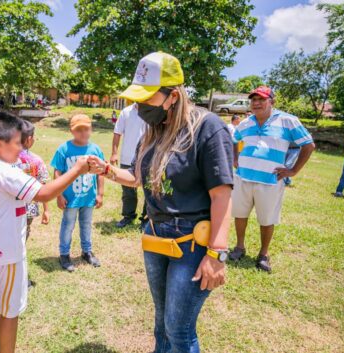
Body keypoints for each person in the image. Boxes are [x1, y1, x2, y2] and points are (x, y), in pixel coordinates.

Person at [88, 52, 233, 353]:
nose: (140, 107)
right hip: (155, 236)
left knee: (179, 330)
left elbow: (222, 194)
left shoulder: (208, 128)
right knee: (161, 323)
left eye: (147, 98)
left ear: (174, 96)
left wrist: (216, 255)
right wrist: (107, 170)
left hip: (192, 242)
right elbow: (139, 177)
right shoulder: (154, 130)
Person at [0, 111, 92, 353]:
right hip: (7, 254)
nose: (21, 148)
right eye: (17, 143)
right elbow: (44, 193)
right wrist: (77, 169)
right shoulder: (6, 171)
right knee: (10, 310)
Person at [229, 86, 316, 272]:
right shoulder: (245, 123)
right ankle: (239, 247)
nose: (257, 103)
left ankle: (263, 254)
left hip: (270, 181)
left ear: (271, 102)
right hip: (243, 178)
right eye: (253, 100)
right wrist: (235, 158)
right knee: (240, 215)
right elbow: (233, 140)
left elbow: (308, 145)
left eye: (261, 99)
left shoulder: (287, 121)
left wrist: (293, 171)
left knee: (267, 219)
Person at [51, 114, 105, 272]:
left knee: (86, 225)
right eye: (78, 130)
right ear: (71, 131)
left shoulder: (95, 150)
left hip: (88, 197)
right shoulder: (64, 149)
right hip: (70, 198)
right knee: (68, 225)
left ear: (91, 129)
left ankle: (86, 251)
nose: (83, 133)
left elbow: (101, 173)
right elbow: (57, 172)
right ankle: (64, 254)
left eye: (86, 129)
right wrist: (59, 195)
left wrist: (100, 193)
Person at [16, 119, 50, 287]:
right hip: (27, 210)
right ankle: (21, 277)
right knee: (22, 242)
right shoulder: (36, 160)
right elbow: (44, 186)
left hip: (9, 210)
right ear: (29, 139)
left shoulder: (6, 158)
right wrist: (46, 210)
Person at [110, 102, 147, 229]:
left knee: (150, 190)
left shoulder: (152, 110)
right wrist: (114, 153)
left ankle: (146, 219)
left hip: (147, 157)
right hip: (127, 157)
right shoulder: (126, 112)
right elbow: (117, 132)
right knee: (128, 191)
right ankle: (128, 216)